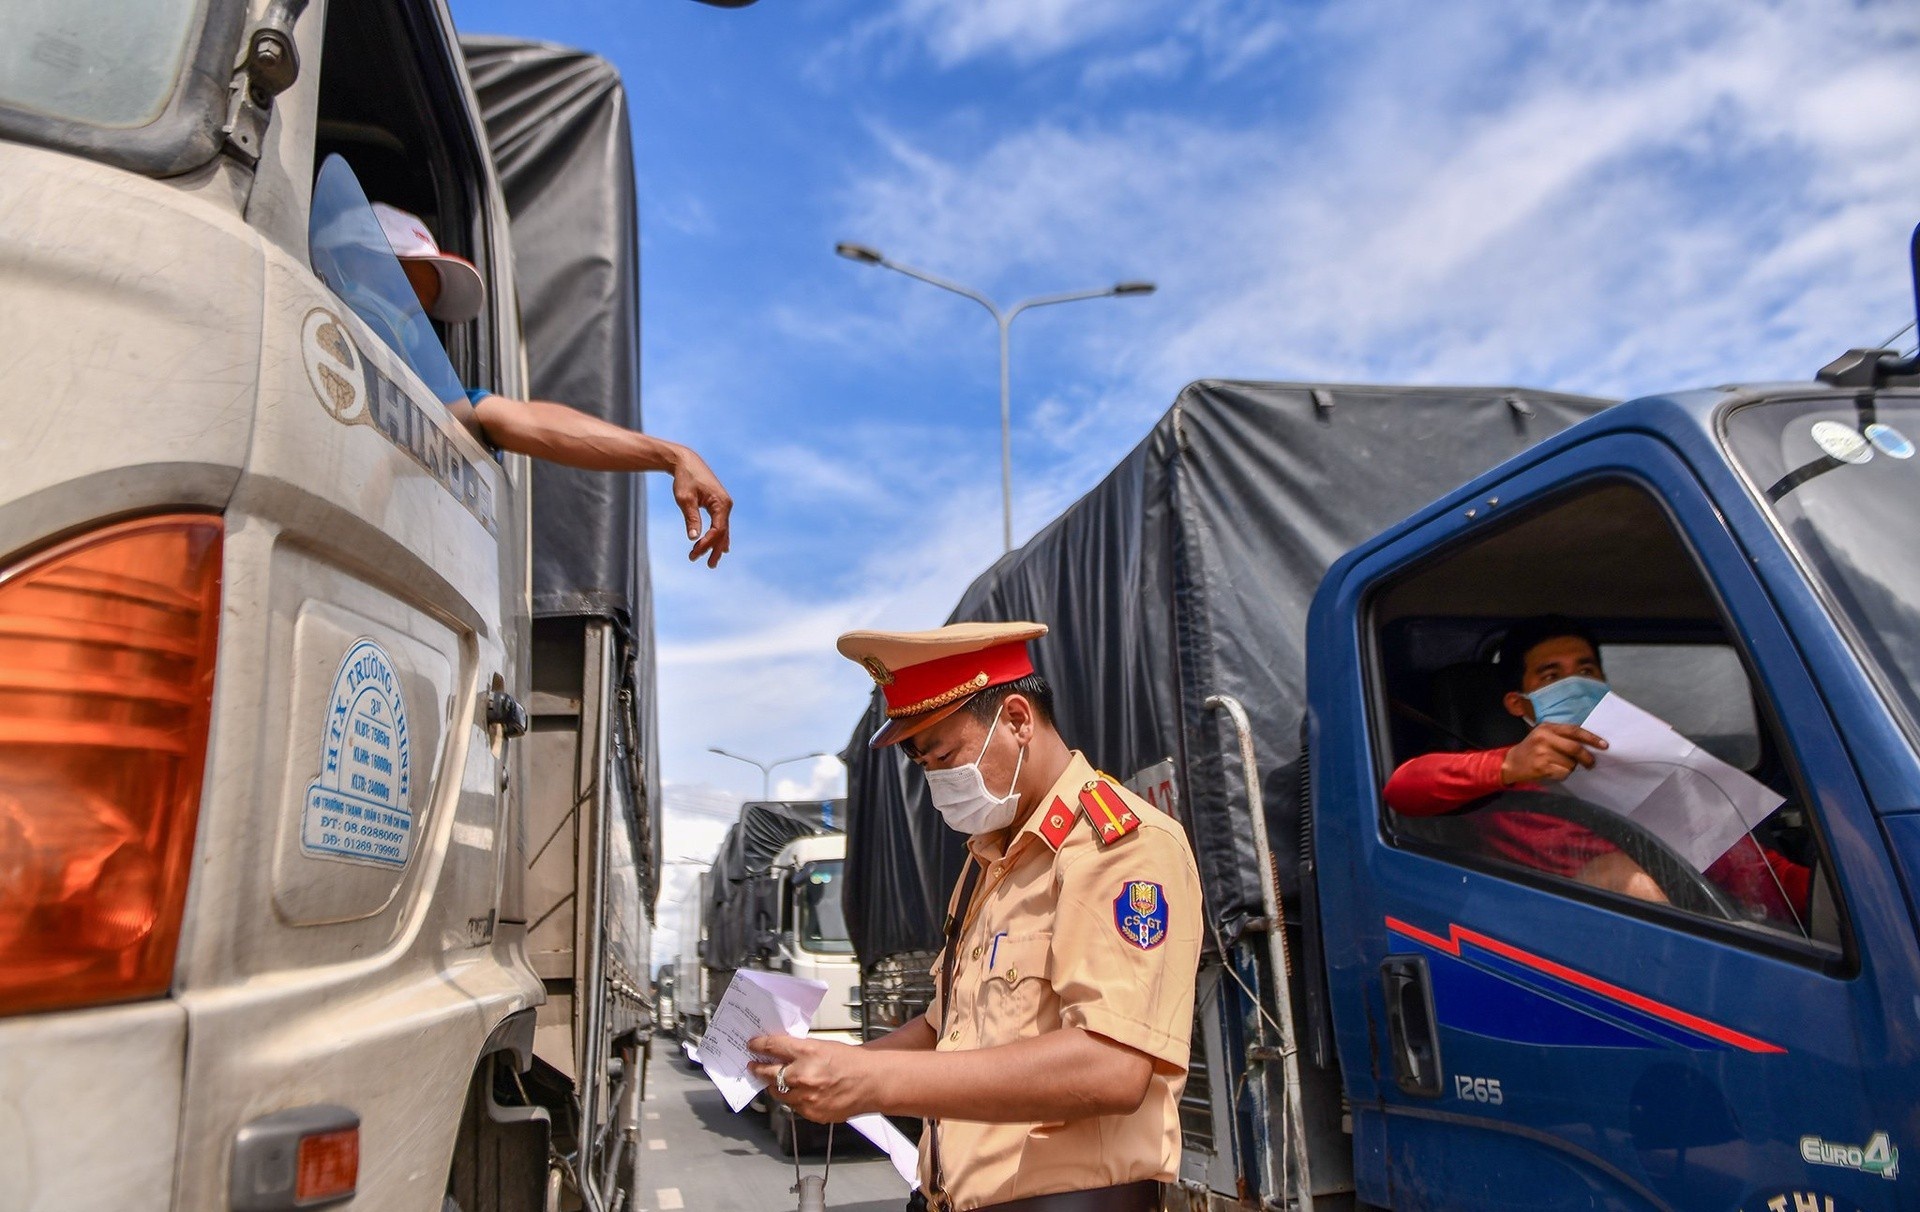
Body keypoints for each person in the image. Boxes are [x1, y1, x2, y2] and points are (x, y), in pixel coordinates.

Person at [746, 621, 1203, 1212]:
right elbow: (946, 1031)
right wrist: (833, 1067)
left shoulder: (1121, 848)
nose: (937, 781)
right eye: (922, 765)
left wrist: (872, 1082)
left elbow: (1110, 1066)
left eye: (945, 756)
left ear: (1017, 720)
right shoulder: (989, 858)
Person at [1384, 615, 1809, 923]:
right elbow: (1403, 789)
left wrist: (1826, 899)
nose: (1577, 683)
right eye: (1552, 674)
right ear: (1519, 703)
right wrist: (1508, 765)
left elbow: (1745, 869)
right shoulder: (1508, 773)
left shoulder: (1645, 759)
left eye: (1586, 670)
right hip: (1557, 937)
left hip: (1700, 920)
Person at [374, 202, 732, 567]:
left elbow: (531, 421)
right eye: (399, 289)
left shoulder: (443, 401)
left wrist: (674, 457)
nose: (409, 321)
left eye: (420, 310)